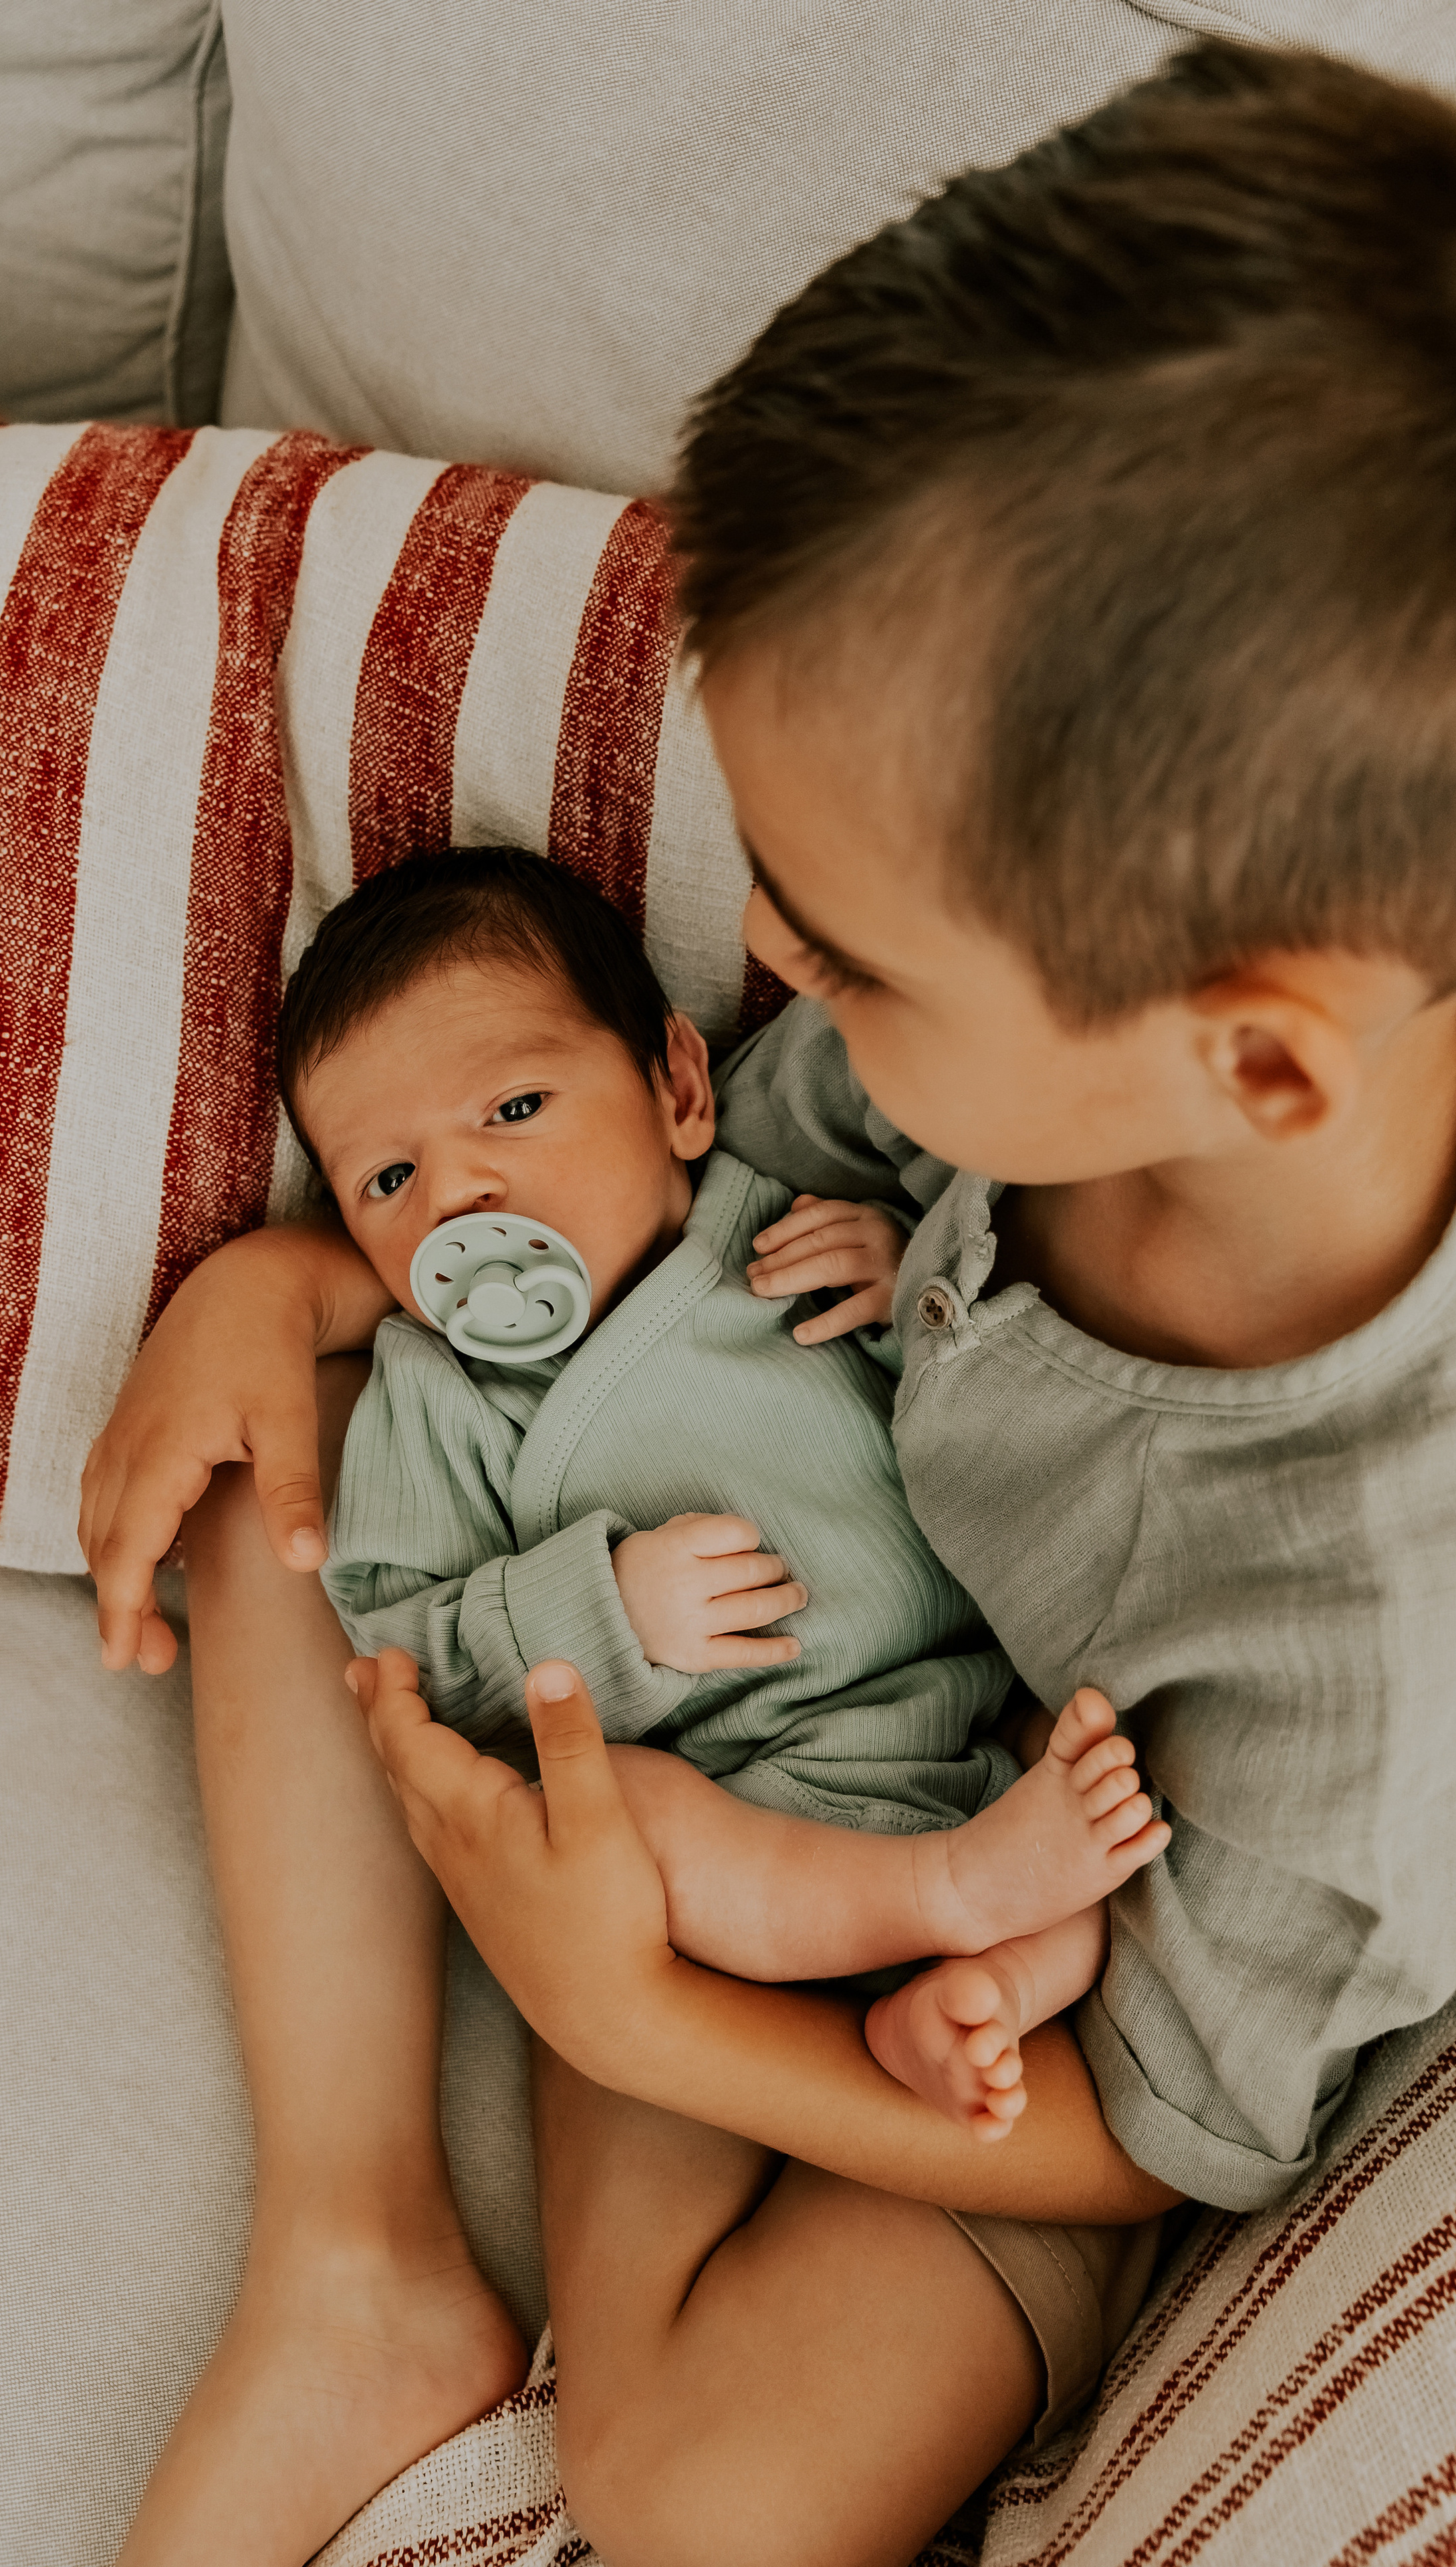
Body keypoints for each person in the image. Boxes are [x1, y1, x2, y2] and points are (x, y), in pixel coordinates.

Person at [81, 39, 1456, 2567]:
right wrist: (302, 1270)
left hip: (1023, 1964)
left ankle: (575, 2069)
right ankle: (355, 2249)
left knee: (712, 2501)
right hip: (772, 1632)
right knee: (272, 1458)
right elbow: (664, 1217)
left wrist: (636, 2004)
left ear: (1242, 1054)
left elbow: (1161, 2126)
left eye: (855, 957)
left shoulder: (1399, 1601)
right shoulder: (1078, 1051)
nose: (772, 966)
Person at [289, 844, 1167, 2124]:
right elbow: (407, 1663)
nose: (459, 1193)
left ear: (681, 1092)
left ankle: (976, 1997)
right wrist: (608, 1611)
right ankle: (944, 1905)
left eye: (514, 1109)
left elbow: (992, 1426)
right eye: (388, 1178)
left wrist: (909, 1286)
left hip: (961, 1728)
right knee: (625, 1813)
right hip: (741, 1814)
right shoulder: (439, 1394)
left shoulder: (790, 1228)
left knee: (1098, 1805)